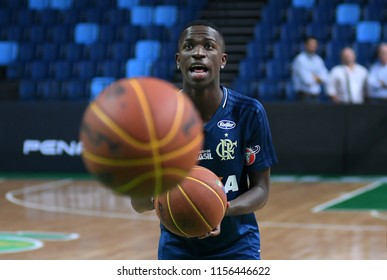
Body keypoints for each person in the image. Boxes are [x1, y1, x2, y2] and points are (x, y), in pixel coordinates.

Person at [131, 20, 277, 260]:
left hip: (238, 246)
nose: (198, 53)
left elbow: (261, 189)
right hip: (177, 248)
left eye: (208, 46)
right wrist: (167, 197)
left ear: (223, 59)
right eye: (189, 46)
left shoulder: (249, 112)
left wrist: (220, 208)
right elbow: (138, 202)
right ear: (179, 60)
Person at [292, 36, 329, 101]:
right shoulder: (300, 59)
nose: (313, 46)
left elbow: (326, 77)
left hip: (316, 95)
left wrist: (315, 77)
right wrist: (318, 78)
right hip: (303, 96)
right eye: (310, 44)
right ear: (305, 45)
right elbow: (307, 80)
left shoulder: (318, 60)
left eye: (314, 44)